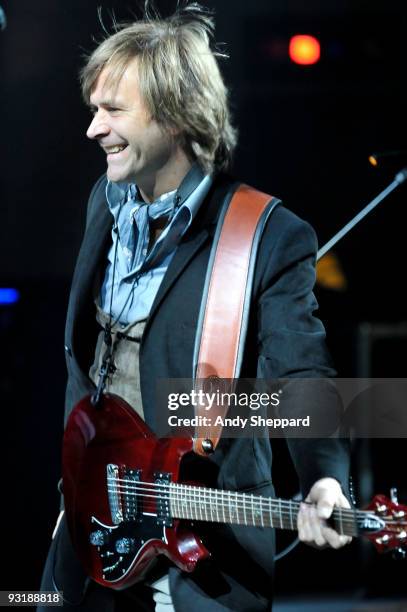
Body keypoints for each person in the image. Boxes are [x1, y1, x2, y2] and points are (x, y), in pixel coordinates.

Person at [39, 3, 351, 611]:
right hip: (91, 530)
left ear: (175, 113)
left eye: (113, 111)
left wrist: (323, 476)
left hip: (202, 551)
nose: (93, 129)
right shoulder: (104, 204)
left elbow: (300, 372)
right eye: (93, 110)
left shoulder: (264, 235)